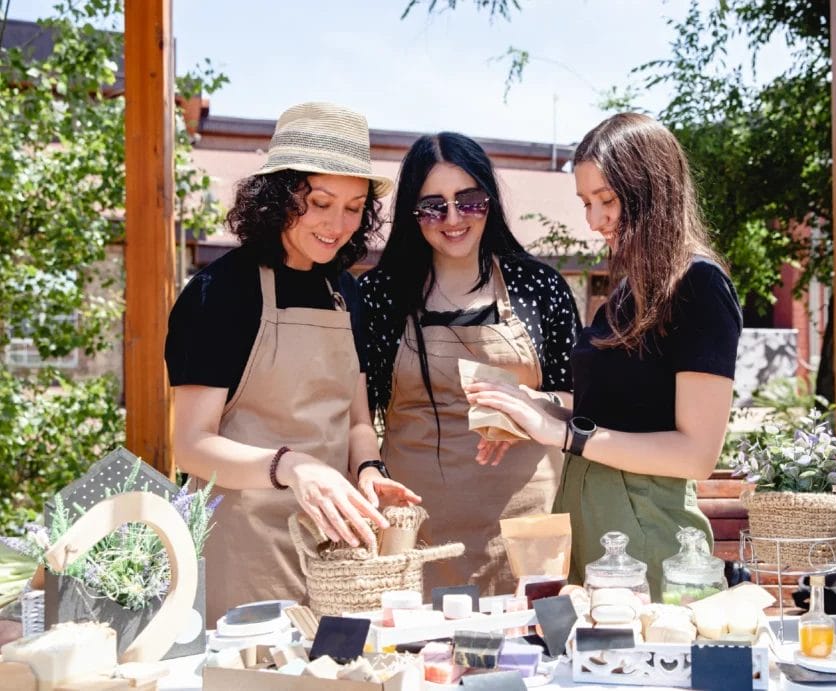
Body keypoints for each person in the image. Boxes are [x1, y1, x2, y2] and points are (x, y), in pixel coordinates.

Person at [467, 113, 742, 600]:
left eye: (607, 201)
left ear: (652, 191)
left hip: (647, 527)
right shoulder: (628, 291)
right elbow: (614, 410)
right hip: (589, 515)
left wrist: (563, 434)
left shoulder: (699, 286)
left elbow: (697, 454)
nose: (594, 221)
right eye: (586, 203)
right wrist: (527, 406)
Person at [165, 102, 420, 619]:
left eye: (353, 207)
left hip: (333, 548)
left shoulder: (346, 291)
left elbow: (354, 420)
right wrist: (291, 466)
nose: (337, 224)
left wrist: (368, 468)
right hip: (241, 545)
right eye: (320, 202)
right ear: (279, 196)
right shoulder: (221, 293)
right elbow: (191, 446)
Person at [359, 132, 581, 596]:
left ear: (490, 201)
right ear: (412, 214)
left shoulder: (539, 286)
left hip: (524, 525)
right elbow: (357, 412)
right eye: (434, 206)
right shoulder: (380, 294)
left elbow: (577, 397)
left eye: (469, 201)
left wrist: (523, 403)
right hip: (415, 527)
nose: (454, 218)